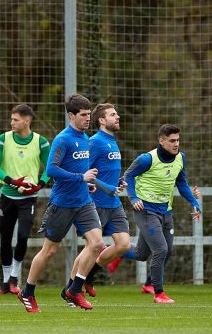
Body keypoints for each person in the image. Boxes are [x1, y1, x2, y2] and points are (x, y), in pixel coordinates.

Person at [17, 94, 104, 313]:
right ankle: (27, 291)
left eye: (89, 114)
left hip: (83, 201)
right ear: (71, 116)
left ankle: (74, 289)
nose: (87, 119)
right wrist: (80, 178)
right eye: (83, 115)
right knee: (49, 251)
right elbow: (52, 170)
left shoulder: (85, 138)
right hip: (62, 204)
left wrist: (87, 184)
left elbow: (79, 170)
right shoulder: (63, 139)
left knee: (96, 244)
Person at [122, 124, 201, 304]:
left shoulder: (181, 158)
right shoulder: (146, 159)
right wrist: (133, 198)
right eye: (172, 141)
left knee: (143, 254)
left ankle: (114, 250)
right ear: (161, 141)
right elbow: (128, 176)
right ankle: (159, 293)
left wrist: (195, 204)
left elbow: (182, 184)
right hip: (146, 211)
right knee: (161, 249)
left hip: (166, 211)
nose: (176, 144)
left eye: (178, 140)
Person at [66, 103, 128, 301]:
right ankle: (70, 290)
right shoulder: (94, 142)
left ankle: (88, 276)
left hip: (113, 203)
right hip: (96, 203)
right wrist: (106, 187)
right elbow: (86, 173)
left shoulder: (112, 141)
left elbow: (105, 171)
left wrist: (117, 182)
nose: (117, 117)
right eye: (112, 114)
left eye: (117, 114)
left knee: (124, 244)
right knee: (91, 247)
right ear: (102, 120)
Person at [0, 104, 50, 295]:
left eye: (15, 119)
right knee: (5, 239)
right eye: (11, 119)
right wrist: (12, 181)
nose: (12, 123)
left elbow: (50, 167)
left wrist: (39, 184)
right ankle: (6, 282)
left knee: (23, 236)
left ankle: (15, 277)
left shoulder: (41, 142)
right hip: (7, 196)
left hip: (28, 198)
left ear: (27, 121)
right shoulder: (3, 139)